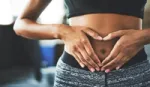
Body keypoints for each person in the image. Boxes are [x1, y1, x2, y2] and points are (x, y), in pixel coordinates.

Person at [13, 0, 150, 87]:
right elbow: (21, 24)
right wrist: (61, 31)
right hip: (75, 73)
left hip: (133, 71)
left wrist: (144, 36)